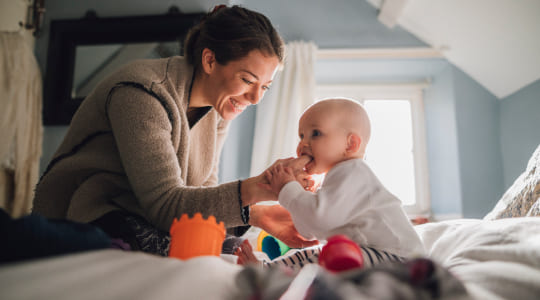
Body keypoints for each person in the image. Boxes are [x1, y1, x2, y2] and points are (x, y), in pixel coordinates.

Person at [32, 5, 316, 256]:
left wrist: (256, 215)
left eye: (264, 87)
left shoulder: (218, 111)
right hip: (88, 213)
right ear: (209, 61)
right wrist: (262, 186)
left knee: (227, 247)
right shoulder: (141, 94)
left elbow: (200, 192)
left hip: (143, 212)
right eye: (247, 80)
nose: (255, 98)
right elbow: (166, 207)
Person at [235, 98, 424, 270]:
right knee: (310, 254)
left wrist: (287, 188)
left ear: (350, 144)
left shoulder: (353, 172)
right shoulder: (337, 177)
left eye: (315, 134)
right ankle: (268, 270)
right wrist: (302, 199)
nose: (303, 144)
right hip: (371, 253)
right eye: (301, 136)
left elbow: (319, 218)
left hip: (397, 259)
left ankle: (272, 277)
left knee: (322, 263)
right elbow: (310, 231)